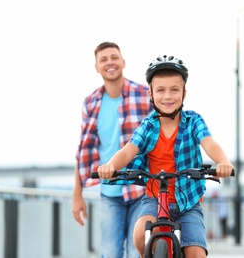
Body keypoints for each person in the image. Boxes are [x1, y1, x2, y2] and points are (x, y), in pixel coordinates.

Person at [97, 55, 234, 257]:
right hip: (155, 199)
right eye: (160, 90)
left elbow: (209, 142)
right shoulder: (148, 125)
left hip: (187, 202)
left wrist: (223, 162)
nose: (167, 96)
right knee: (140, 233)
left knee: (196, 252)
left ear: (184, 93)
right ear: (151, 94)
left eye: (174, 90)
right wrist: (109, 166)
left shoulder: (193, 121)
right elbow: (128, 150)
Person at [72, 41, 153, 258]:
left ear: (123, 62)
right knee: (110, 253)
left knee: (138, 253)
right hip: (109, 191)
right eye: (103, 59)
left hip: (142, 189)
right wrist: (77, 195)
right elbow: (83, 150)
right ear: (96, 67)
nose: (110, 63)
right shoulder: (91, 103)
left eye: (114, 57)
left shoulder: (145, 95)